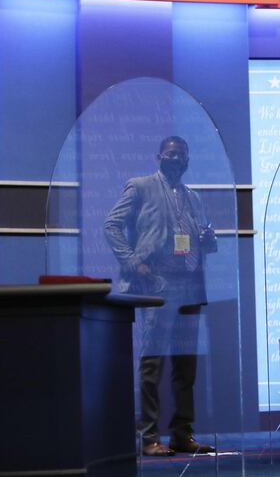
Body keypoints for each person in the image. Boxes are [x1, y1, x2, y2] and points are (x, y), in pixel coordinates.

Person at [104, 136, 217, 457]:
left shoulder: (193, 197)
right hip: (158, 283)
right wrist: (132, 261)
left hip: (191, 284)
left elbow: (202, 237)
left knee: (186, 365)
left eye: (181, 155)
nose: (176, 159)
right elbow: (112, 225)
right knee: (152, 363)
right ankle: (149, 436)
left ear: (188, 161)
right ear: (158, 157)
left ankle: (183, 433)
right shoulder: (140, 187)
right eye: (170, 154)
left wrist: (208, 238)